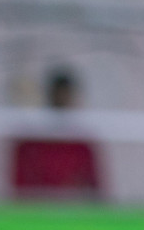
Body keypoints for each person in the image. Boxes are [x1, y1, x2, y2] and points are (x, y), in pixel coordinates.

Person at [9, 67, 104, 200]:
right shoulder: (29, 144)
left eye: (66, 96)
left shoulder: (82, 145)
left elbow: (95, 189)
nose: (62, 101)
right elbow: (19, 189)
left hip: (73, 214)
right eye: (58, 95)